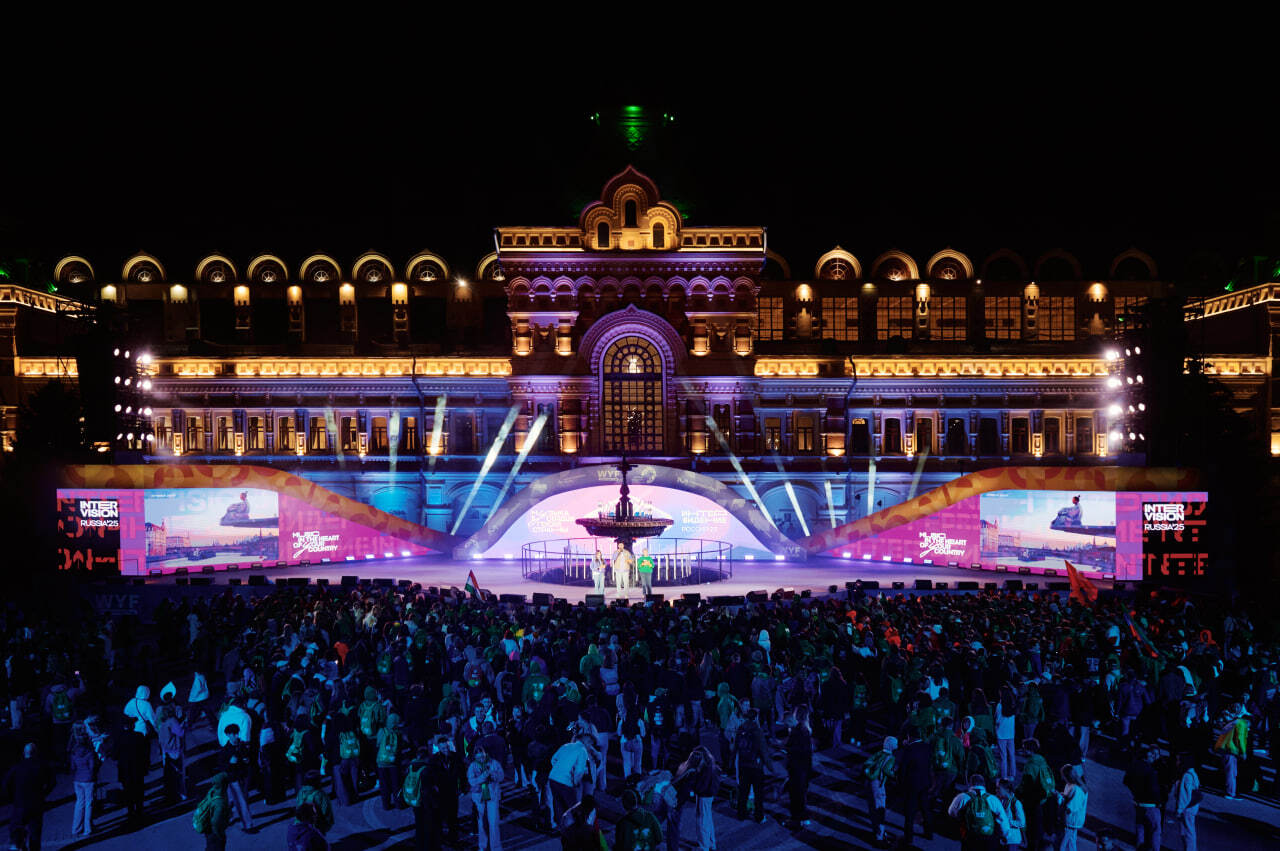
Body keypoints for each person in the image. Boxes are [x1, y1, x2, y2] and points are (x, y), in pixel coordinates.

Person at [2, 743, 54, 851]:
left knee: (17, 828)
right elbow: (52, 782)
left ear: (24, 753)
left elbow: (6, 784)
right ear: (36, 753)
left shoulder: (16, 767)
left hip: (19, 803)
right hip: (36, 803)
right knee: (35, 831)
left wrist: (12, 798)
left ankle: (19, 845)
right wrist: (43, 794)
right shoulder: (42, 766)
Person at [948, 773, 1009, 851]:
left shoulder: (962, 797)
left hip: (970, 837)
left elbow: (951, 812)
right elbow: (1003, 820)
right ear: (984, 785)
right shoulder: (993, 799)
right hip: (988, 839)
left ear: (970, 784)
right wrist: (1005, 835)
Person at [897, 725, 936, 846]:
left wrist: (900, 784)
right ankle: (929, 833)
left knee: (910, 812)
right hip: (925, 782)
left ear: (910, 736)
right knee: (925, 809)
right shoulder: (927, 747)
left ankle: (908, 837)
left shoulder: (909, 749)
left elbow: (903, 769)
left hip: (912, 784)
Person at [1124, 746, 1163, 851]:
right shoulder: (1151, 771)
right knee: (1155, 830)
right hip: (1150, 805)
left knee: (1140, 829)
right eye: (1153, 756)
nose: (1154, 758)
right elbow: (1154, 790)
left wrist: (1135, 792)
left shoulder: (1134, 766)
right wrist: (1158, 802)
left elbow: (1126, 781)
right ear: (1148, 756)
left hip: (1138, 803)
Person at [734, 707, 769, 823]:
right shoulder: (757, 731)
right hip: (756, 766)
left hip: (743, 764)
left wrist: (731, 762)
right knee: (758, 793)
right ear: (756, 717)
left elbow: (736, 747)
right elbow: (763, 750)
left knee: (743, 791)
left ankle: (741, 814)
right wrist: (770, 766)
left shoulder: (741, 729)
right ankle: (759, 816)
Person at [220, 722, 256, 832]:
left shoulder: (242, 746)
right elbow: (222, 767)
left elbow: (249, 759)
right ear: (228, 735)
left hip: (243, 776)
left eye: (237, 733)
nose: (236, 736)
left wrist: (247, 760)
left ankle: (229, 817)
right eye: (234, 734)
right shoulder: (225, 750)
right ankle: (248, 825)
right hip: (233, 778)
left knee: (238, 800)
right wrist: (230, 763)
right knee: (241, 801)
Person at [550, 733, 592, 825]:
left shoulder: (566, 745)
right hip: (565, 781)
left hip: (553, 778)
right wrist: (575, 783)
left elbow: (553, 759)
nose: (590, 746)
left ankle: (561, 825)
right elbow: (579, 771)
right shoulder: (582, 750)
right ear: (587, 742)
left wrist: (560, 769)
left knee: (558, 804)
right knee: (572, 807)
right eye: (590, 744)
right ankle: (573, 827)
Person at [468, 745, 504, 851]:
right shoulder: (472, 766)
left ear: (485, 754)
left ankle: (496, 848)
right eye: (478, 758)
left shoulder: (494, 763)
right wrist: (482, 777)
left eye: (482, 757)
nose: (481, 759)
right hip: (479, 797)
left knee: (493, 823)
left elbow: (501, 776)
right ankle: (482, 846)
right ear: (475, 757)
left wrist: (493, 776)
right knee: (481, 824)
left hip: (492, 796)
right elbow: (471, 781)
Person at [863, 736, 897, 845]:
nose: (897, 745)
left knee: (872, 808)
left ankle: (876, 830)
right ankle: (880, 836)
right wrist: (895, 775)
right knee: (880, 809)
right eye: (895, 743)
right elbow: (887, 770)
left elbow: (868, 762)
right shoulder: (891, 757)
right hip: (878, 784)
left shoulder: (879, 753)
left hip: (869, 782)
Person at [785, 707, 814, 830]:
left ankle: (796, 820)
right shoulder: (806, 730)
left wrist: (787, 749)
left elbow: (796, 750)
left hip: (797, 768)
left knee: (796, 795)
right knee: (801, 795)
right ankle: (803, 817)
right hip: (804, 768)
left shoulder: (798, 731)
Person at [69, 725, 99, 839]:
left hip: (77, 779)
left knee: (79, 803)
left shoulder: (74, 753)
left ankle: (76, 828)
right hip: (88, 779)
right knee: (89, 803)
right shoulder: (90, 753)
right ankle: (88, 828)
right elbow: (92, 767)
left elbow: (72, 767)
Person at [1213, 702, 1249, 799]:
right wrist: (1243, 752)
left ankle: (1229, 790)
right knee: (1231, 772)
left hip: (1224, 748)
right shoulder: (1241, 723)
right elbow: (1240, 739)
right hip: (1232, 750)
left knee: (1229, 771)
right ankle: (1230, 792)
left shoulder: (1230, 720)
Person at [193, 772, 233, 851]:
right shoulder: (219, 802)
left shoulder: (212, 791)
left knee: (211, 844)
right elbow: (215, 821)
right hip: (214, 831)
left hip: (208, 827)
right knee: (216, 845)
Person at [1171, 752, 1202, 851]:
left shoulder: (1186, 776)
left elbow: (1184, 796)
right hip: (1192, 807)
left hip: (1187, 808)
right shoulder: (1192, 773)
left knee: (1188, 831)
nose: (1177, 762)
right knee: (1188, 830)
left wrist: (1179, 810)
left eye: (1179, 760)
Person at [1055, 764, 1088, 851]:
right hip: (1072, 822)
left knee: (1061, 844)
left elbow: (1070, 808)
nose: (1062, 778)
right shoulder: (1074, 786)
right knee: (1071, 844)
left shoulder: (1077, 790)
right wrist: (1063, 795)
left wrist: (1059, 798)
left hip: (1070, 821)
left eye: (1063, 776)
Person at [376, 712, 405, 810]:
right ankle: (399, 804)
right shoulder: (399, 733)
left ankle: (386, 805)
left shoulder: (382, 731)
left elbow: (378, 744)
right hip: (394, 763)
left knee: (384, 785)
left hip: (382, 763)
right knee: (396, 784)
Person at [295, 770, 334, 838]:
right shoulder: (321, 795)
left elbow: (298, 807)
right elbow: (326, 812)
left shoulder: (301, 792)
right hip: (316, 826)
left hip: (300, 824)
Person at [996, 779, 1026, 849]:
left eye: (998, 788)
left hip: (1013, 840)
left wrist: (1007, 822)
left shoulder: (1016, 803)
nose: (996, 790)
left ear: (1006, 789)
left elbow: (1022, 823)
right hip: (1004, 839)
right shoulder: (1001, 801)